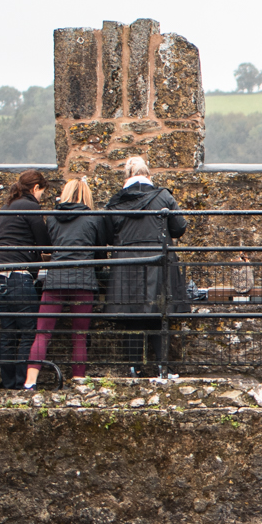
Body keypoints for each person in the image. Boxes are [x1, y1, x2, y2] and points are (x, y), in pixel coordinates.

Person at [100, 156, 187, 377]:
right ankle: (163, 367)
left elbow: (108, 235)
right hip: (158, 263)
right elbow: (179, 228)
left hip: (126, 265)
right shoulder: (163, 197)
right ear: (148, 175)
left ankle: (134, 367)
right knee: (160, 314)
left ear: (126, 178)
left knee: (131, 317)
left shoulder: (115, 202)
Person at [22, 176, 103, 388]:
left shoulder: (53, 218)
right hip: (83, 281)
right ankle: (78, 380)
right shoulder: (94, 218)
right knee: (79, 335)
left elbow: (49, 245)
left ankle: (30, 382)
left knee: (42, 333)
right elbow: (101, 250)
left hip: (55, 279)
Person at [0, 170, 49, 387]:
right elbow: (43, 240)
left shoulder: (6, 208)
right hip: (17, 273)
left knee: (9, 329)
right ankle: (21, 381)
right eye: (42, 192)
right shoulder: (31, 206)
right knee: (28, 329)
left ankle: (8, 382)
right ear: (35, 188)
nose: (41, 196)